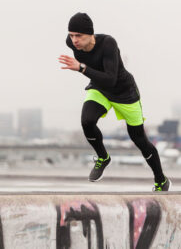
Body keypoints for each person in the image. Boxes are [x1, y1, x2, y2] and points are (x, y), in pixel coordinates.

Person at [58, 12, 171, 191]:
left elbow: (111, 79)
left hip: (124, 92)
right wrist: (85, 69)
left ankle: (161, 180)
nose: (74, 40)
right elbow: (101, 81)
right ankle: (103, 157)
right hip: (100, 89)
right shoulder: (70, 43)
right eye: (71, 35)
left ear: (91, 34)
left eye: (79, 35)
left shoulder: (108, 44)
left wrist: (81, 68)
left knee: (139, 139)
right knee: (87, 121)